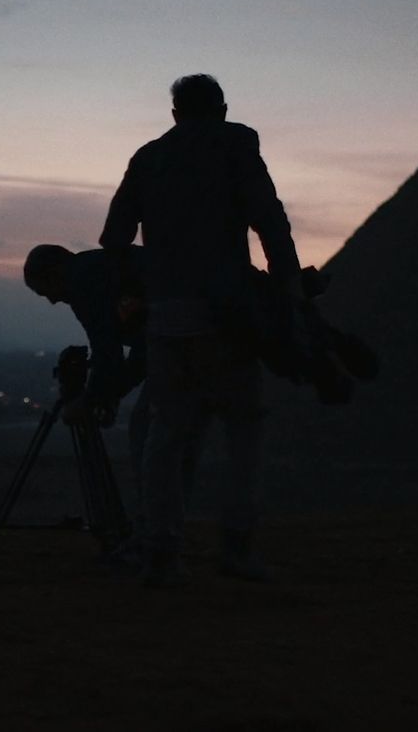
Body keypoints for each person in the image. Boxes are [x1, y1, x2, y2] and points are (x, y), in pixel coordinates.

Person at [99, 73, 299, 587]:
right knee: (244, 428)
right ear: (224, 108)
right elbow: (268, 218)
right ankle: (236, 547)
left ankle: (161, 553)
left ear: (174, 115)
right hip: (226, 315)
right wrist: (288, 289)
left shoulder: (147, 157)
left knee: (166, 435)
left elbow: (115, 238)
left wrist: (135, 295)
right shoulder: (236, 142)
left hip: (167, 316)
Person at [23, 243, 200, 557]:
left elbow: (108, 351)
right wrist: (109, 393)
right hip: (189, 337)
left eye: (46, 291)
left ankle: (153, 538)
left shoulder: (83, 282)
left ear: (55, 272)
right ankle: (162, 531)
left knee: (149, 435)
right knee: (169, 441)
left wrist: (91, 400)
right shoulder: (101, 270)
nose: (52, 301)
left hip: (187, 342)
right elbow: (138, 351)